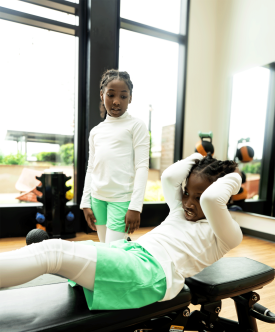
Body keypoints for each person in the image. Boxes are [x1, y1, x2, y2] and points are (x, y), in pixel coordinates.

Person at [0, 153, 243, 311]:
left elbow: (211, 199)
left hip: (150, 273)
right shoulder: (180, 210)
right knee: (50, 251)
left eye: (197, 197)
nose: (189, 202)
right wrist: (198, 158)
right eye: (187, 193)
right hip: (130, 252)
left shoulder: (225, 234)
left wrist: (235, 175)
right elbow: (169, 177)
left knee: (51, 252)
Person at [81, 69, 150, 243]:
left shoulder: (136, 126)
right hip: (97, 199)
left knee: (115, 252)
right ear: (102, 95)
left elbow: (142, 167)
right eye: (111, 95)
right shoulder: (96, 131)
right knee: (107, 250)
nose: (117, 101)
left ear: (131, 98)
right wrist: (85, 202)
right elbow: (91, 168)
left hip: (121, 200)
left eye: (123, 96)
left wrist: (136, 207)